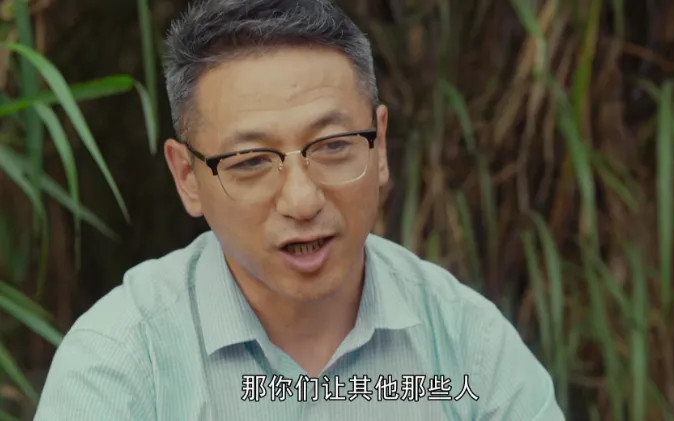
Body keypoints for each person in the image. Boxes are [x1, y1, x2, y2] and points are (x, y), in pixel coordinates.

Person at [35, 0, 564, 419]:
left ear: (379, 146)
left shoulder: (466, 343)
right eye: (250, 161)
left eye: (333, 146)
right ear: (187, 178)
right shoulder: (123, 361)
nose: (303, 200)